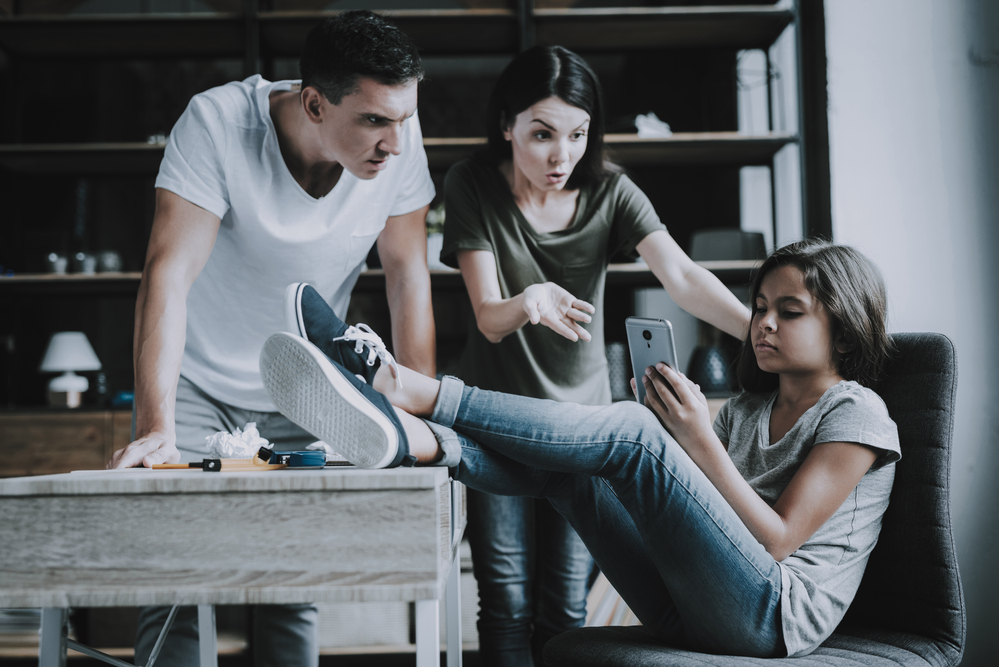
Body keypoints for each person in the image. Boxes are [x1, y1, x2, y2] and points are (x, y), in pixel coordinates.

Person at [260, 239, 900, 659]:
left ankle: (408, 389)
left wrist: (692, 440)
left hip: (772, 619)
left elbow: (776, 540)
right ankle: (426, 442)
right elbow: (707, 524)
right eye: (760, 306)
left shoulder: (857, 410)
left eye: (789, 312)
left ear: (843, 334)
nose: (761, 323)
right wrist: (683, 441)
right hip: (691, 604)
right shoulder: (749, 408)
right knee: (578, 476)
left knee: (630, 434)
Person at [107, 11, 437, 667]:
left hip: (306, 384)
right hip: (195, 383)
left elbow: (406, 273)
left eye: (403, 119)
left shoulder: (399, 138)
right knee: (175, 586)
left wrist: (417, 410)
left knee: (293, 586)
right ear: (314, 103)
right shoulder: (218, 125)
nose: (395, 143)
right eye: (374, 120)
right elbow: (167, 273)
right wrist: (156, 425)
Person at [439, 45, 751, 664]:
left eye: (578, 134)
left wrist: (761, 336)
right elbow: (488, 318)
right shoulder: (471, 183)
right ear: (507, 127)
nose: (562, 156)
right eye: (541, 134)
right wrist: (527, 300)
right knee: (504, 603)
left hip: (583, 427)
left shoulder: (612, 191)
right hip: (495, 422)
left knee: (565, 608)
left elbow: (683, 279)